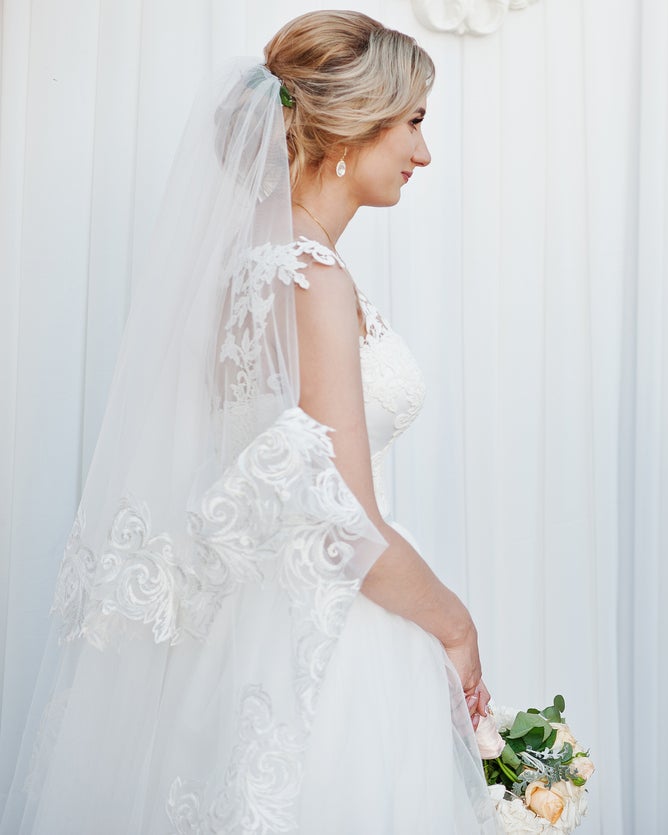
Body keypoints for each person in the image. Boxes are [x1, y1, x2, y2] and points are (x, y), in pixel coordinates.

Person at [2, 11, 497, 833]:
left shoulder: (256, 264)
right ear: (349, 127)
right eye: (412, 122)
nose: (423, 151)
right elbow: (343, 523)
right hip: (327, 651)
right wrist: (457, 625)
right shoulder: (309, 277)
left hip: (248, 634)